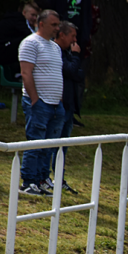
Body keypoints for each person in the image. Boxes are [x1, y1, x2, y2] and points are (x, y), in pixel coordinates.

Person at [18, 9, 65, 196]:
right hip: (39, 103)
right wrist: (35, 100)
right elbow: (26, 73)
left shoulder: (55, 47)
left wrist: (59, 99)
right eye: (54, 24)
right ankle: (28, 181)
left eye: (58, 24)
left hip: (55, 104)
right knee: (35, 142)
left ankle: (42, 179)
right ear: (41, 24)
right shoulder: (30, 43)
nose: (57, 28)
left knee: (50, 145)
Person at [51, 21, 83, 194]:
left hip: (70, 106)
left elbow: (79, 74)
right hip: (59, 105)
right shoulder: (57, 53)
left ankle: (59, 178)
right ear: (62, 34)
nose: (75, 40)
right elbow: (71, 71)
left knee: (64, 145)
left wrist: (75, 61)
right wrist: (76, 57)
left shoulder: (68, 54)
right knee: (55, 143)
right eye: (72, 35)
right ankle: (47, 177)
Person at [0, 1, 40, 73]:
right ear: (24, 12)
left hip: (7, 50)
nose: (35, 18)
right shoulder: (17, 20)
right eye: (33, 15)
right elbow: (32, 36)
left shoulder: (25, 22)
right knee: (27, 41)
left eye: (36, 16)